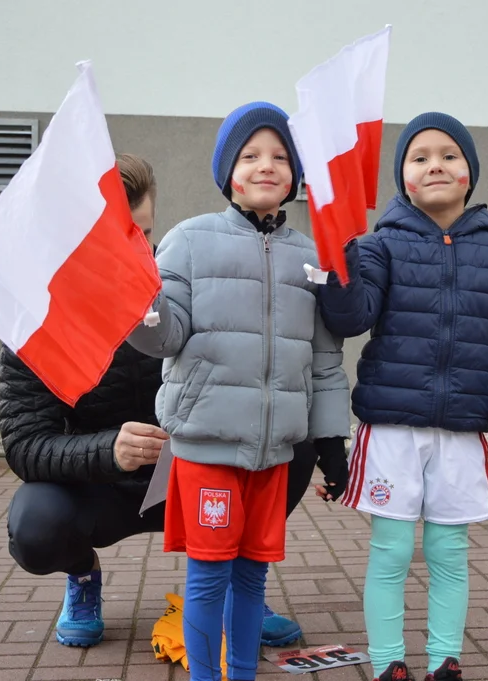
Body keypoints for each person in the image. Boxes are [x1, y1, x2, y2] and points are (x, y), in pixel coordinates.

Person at [0, 153, 322, 650]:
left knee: (292, 445)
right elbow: (24, 444)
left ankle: (242, 589)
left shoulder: (173, 286)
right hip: (100, 487)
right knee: (35, 525)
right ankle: (83, 576)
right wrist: (108, 450)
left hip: (192, 471)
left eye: (144, 236)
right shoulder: (37, 316)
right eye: (120, 238)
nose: (139, 253)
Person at [127, 103, 351, 681]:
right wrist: (138, 299)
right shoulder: (187, 241)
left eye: (280, 156)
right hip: (206, 446)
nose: (266, 166)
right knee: (208, 575)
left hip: (274, 451)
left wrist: (332, 444)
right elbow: (165, 335)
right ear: (228, 172)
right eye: (250, 155)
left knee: (254, 574)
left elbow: (325, 358)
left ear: (295, 176)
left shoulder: (312, 257)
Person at [316, 113, 488, 681]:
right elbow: (354, 315)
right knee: (391, 552)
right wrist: (339, 264)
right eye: (419, 157)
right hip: (391, 428)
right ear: (403, 177)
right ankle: (389, 664)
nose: (435, 164)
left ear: (470, 173)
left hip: (463, 429)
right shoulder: (379, 246)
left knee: (448, 554)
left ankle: (445, 661)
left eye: (448, 154)